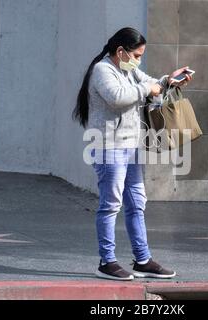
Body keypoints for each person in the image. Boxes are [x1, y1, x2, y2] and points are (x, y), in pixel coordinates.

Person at [72, 27, 192, 281]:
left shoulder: (128, 69)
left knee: (137, 203)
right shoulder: (102, 70)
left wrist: (168, 81)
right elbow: (117, 98)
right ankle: (107, 261)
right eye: (136, 55)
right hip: (108, 147)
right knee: (111, 205)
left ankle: (143, 259)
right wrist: (148, 91)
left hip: (130, 145)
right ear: (120, 51)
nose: (138, 60)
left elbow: (149, 82)